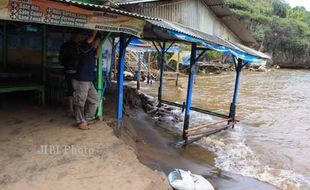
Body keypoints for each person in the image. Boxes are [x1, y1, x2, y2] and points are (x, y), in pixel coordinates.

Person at [72, 30, 101, 129]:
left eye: (98, 43)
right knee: (80, 102)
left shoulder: (92, 51)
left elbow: (97, 53)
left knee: (95, 100)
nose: (97, 44)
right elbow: (90, 40)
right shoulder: (85, 46)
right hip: (81, 80)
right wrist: (96, 30)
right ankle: (80, 121)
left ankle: (88, 118)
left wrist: (99, 43)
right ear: (92, 40)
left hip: (88, 81)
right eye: (96, 42)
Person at [59, 31, 80, 115]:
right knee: (76, 90)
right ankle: (74, 108)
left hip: (69, 70)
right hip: (75, 71)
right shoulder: (77, 47)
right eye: (78, 37)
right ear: (74, 36)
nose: (79, 39)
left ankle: (71, 108)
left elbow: (61, 59)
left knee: (70, 89)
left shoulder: (65, 45)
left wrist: (65, 66)